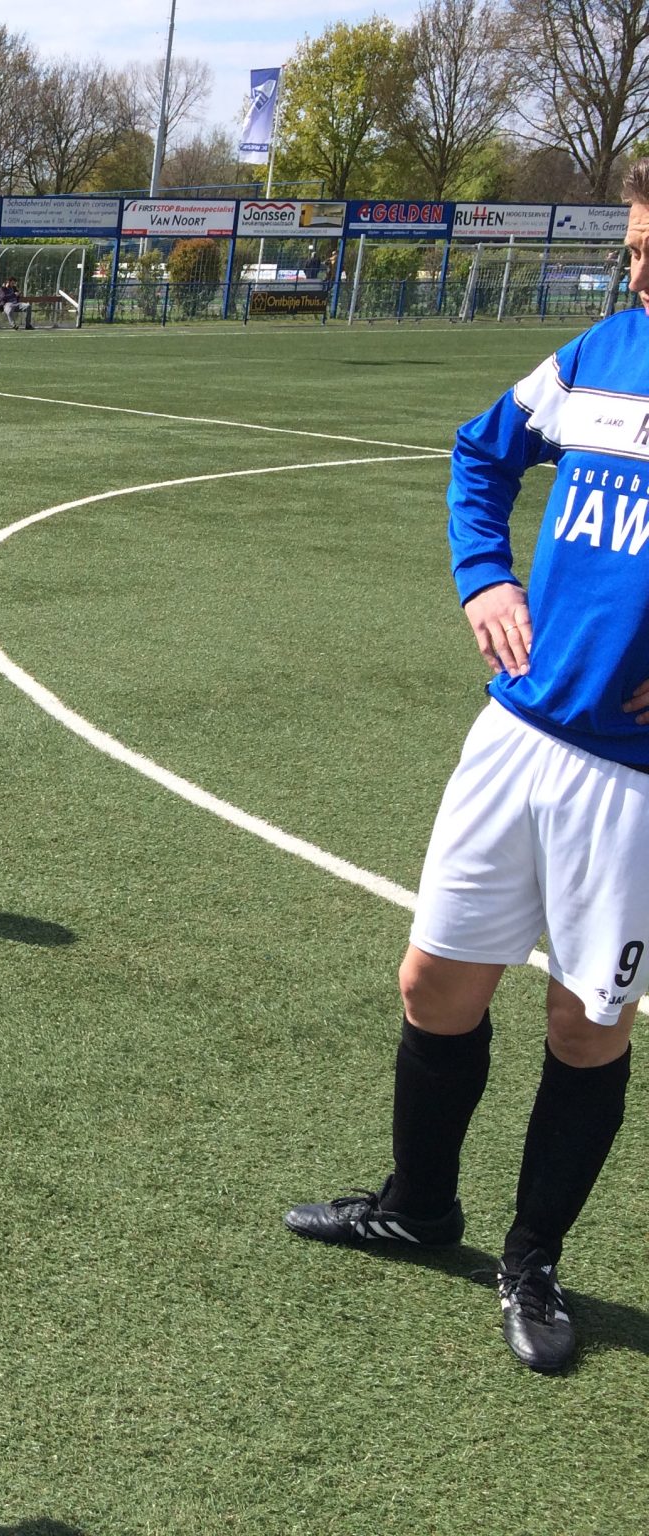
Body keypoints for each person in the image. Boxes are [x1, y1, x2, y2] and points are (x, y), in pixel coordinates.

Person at [284, 159, 649, 1374]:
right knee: (433, 983)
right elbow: (478, 454)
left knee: (581, 1025)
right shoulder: (600, 353)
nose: (636, 275)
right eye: (632, 249)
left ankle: (531, 1258)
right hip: (514, 734)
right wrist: (484, 575)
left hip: (632, 785)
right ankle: (417, 1205)